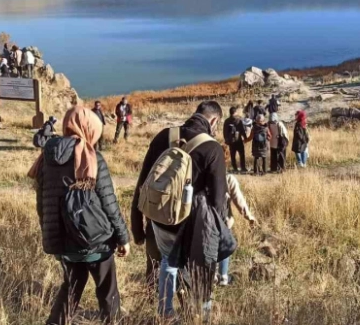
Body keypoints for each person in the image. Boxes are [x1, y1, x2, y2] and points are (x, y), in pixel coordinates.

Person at [131, 101, 229, 320]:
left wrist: (137, 226)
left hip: (158, 220)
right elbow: (218, 199)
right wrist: (218, 238)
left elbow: (143, 182)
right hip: (190, 225)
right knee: (192, 274)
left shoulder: (163, 136)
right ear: (213, 121)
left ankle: (165, 312)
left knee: (166, 261)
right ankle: (192, 314)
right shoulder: (212, 148)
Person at [32, 107, 130, 325]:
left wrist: (53, 239)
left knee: (70, 288)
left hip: (64, 244)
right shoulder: (93, 158)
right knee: (108, 292)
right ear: (88, 128)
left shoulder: (45, 159)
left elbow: (42, 206)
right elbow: (109, 204)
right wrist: (123, 238)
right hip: (97, 243)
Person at [218, 175, 256, 286]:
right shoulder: (228, 178)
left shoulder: (198, 174)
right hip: (224, 221)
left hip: (203, 222)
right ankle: (223, 277)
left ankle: (211, 276)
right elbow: (239, 200)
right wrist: (249, 216)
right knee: (225, 248)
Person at [223, 107, 248, 173]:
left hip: (231, 141)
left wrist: (226, 139)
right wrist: (245, 138)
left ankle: (235, 168)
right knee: (242, 154)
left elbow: (225, 131)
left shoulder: (227, 121)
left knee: (232, 155)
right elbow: (242, 130)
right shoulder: (239, 120)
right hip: (238, 140)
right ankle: (243, 167)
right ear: (235, 112)